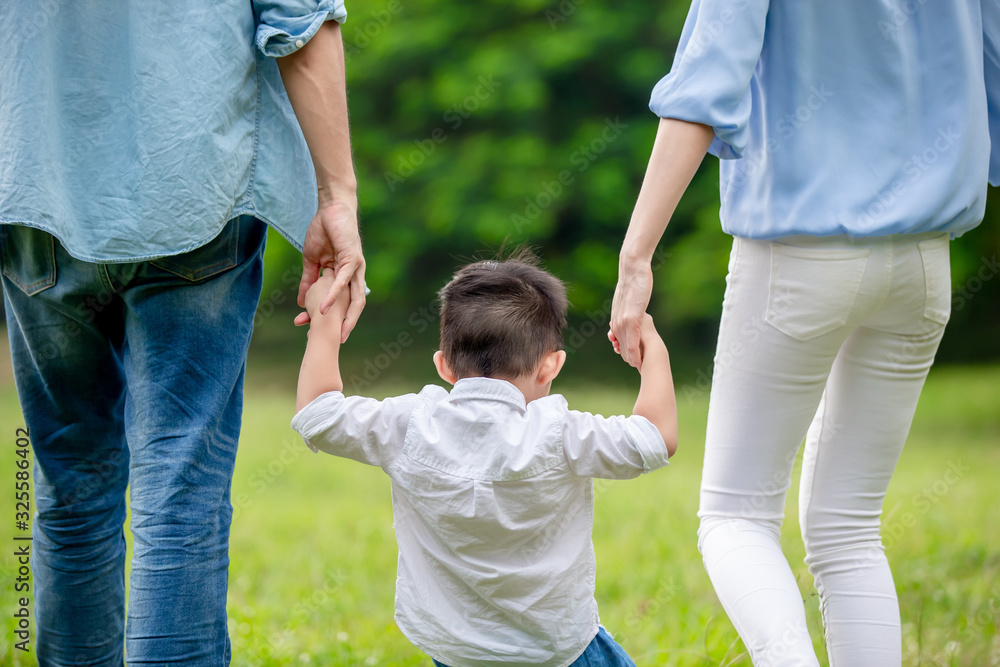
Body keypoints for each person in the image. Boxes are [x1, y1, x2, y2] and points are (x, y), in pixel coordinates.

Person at [609, 1, 999, 665]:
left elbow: (704, 86)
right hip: (926, 259)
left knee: (736, 515)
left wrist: (636, 255)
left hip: (796, 253)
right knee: (849, 528)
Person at [0, 2, 364, 664]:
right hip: (194, 188)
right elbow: (300, 18)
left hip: (35, 189)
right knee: (181, 486)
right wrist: (336, 196)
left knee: (72, 489)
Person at [291, 252, 678, 667]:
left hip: (456, 652)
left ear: (443, 365)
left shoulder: (410, 426)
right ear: (551, 366)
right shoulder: (561, 433)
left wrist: (325, 319)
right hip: (558, 651)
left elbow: (317, 413)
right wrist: (651, 348)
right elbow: (655, 437)